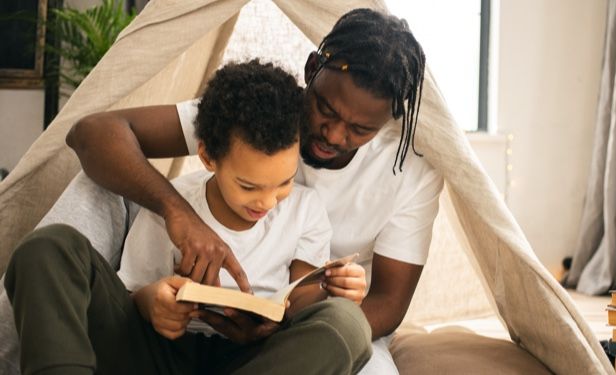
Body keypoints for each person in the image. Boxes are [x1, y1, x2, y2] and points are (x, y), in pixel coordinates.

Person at [67, 8, 443, 374]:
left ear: (388, 120)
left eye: (360, 130)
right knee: (93, 183)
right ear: (312, 71)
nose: (333, 134)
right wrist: (177, 212)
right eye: (324, 109)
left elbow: (389, 304)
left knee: (356, 344)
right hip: (188, 321)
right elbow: (92, 133)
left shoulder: (411, 174)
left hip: (307, 325)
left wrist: (281, 331)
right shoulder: (257, 111)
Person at [5, 61, 372, 375]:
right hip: (159, 353)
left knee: (348, 322)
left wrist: (331, 288)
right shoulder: (171, 204)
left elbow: (299, 302)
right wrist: (156, 305)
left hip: (250, 362)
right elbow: (133, 295)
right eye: (248, 186)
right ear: (208, 157)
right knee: (46, 247)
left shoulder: (306, 211)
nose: (267, 201)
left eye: (284, 182)